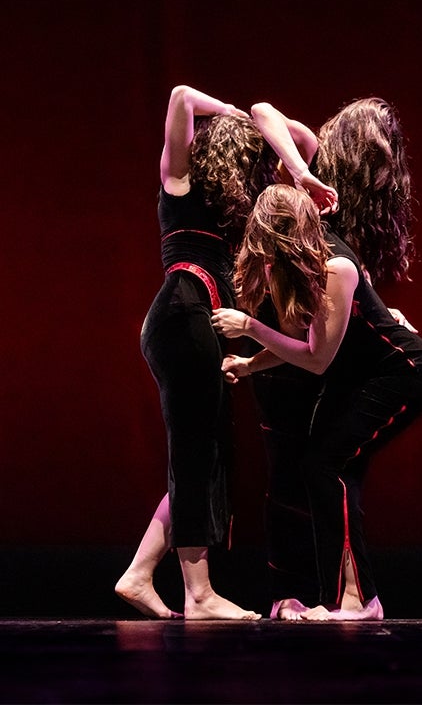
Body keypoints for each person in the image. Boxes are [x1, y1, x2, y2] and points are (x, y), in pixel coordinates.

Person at [115, 85, 338, 620]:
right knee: (197, 452)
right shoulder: (182, 184)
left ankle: (140, 573)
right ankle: (197, 594)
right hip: (182, 316)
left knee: (208, 452)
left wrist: (295, 166)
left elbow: (302, 143)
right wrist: (242, 114)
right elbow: (180, 96)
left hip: (190, 324)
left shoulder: (223, 203)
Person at [213, 102, 422, 621]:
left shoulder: (332, 256)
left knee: (324, 466)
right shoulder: (306, 223)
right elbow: (262, 110)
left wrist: (249, 332)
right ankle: (333, 596)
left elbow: (316, 354)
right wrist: (248, 365)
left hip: (382, 370)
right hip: (346, 364)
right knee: (315, 471)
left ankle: (358, 600)